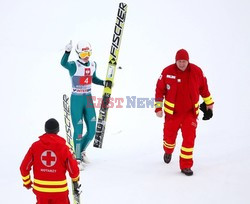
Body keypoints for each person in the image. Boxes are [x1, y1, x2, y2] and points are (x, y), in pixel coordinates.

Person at [155, 49, 214, 176]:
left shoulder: (197, 72)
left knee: (189, 139)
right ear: (176, 61)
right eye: (179, 61)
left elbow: (204, 89)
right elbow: (159, 90)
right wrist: (158, 108)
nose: (182, 64)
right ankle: (168, 151)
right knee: (169, 139)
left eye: (184, 61)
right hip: (172, 114)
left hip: (190, 113)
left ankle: (186, 165)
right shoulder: (167, 72)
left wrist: (209, 104)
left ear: (188, 61)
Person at [61, 40, 104, 170]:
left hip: (88, 99)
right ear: (78, 53)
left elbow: (93, 78)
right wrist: (67, 52)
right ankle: (77, 158)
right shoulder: (74, 65)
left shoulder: (93, 64)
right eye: (84, 53)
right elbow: (63, 63)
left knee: (92, 131)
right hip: (77, 100)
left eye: (89, 52)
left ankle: (81, 151)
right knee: (78, 131)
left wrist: (104, 82)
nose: (87, 55)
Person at [20, 118, 80, 203]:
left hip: (41, 192)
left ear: (45, 130)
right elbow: (73, 169)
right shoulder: (64, 148)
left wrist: (27, 183)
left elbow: (24, 167)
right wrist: (75, 179)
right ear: (58, 130)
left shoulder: (35, 146)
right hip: (60, 191)